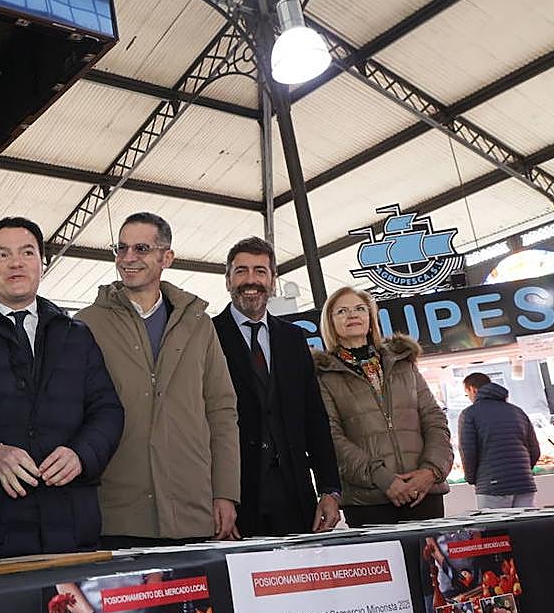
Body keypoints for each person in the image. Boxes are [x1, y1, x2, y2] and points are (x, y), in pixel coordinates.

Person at [0, 216, 124, 556]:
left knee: (70, 608)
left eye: (27, 252)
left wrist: (82, 454)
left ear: (42, 265)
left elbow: (107, 410)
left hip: (72, 526)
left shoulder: (76, 334)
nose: (16, 262)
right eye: (2, 254)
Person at [75, 212, 240, 547]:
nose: (128, 258)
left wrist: (225, 492)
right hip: (115, 512)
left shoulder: (199, 325)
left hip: (190, 510)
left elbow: (222, 412)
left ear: (167, 257)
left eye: (141, 248)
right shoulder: (85, 325)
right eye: (120, 249)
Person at [211, 236, 341, 536]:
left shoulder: (293, 339)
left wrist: (330, 490)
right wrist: (217, 494)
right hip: (235, 499)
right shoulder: (208, 335)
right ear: (228, 279)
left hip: (294, 495)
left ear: (273, 279)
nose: (251, 280)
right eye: (241, 271)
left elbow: (314, 418)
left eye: (260, 270)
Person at [312, 286, 453, 526]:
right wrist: (383, 478)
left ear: (370, 317)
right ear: (330, 323)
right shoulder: (323, 375)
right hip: (369, 501)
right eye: (341, 311)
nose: (352, 315)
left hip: (424, 493)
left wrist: (430, 471)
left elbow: (434, 420)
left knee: (430, 562)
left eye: (359, 309)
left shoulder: (403, 363)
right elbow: (331, 438)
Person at [458, 372, 540, 508]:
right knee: (526, 528)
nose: (469, 398)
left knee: (496, 528)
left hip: (493, 485)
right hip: (524, 483)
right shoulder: (517, 411)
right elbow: (535, 450)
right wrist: (520, 471)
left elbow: (468, 451)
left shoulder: (469, 414)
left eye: (467, 394)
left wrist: (472, 478)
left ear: (472, 389)